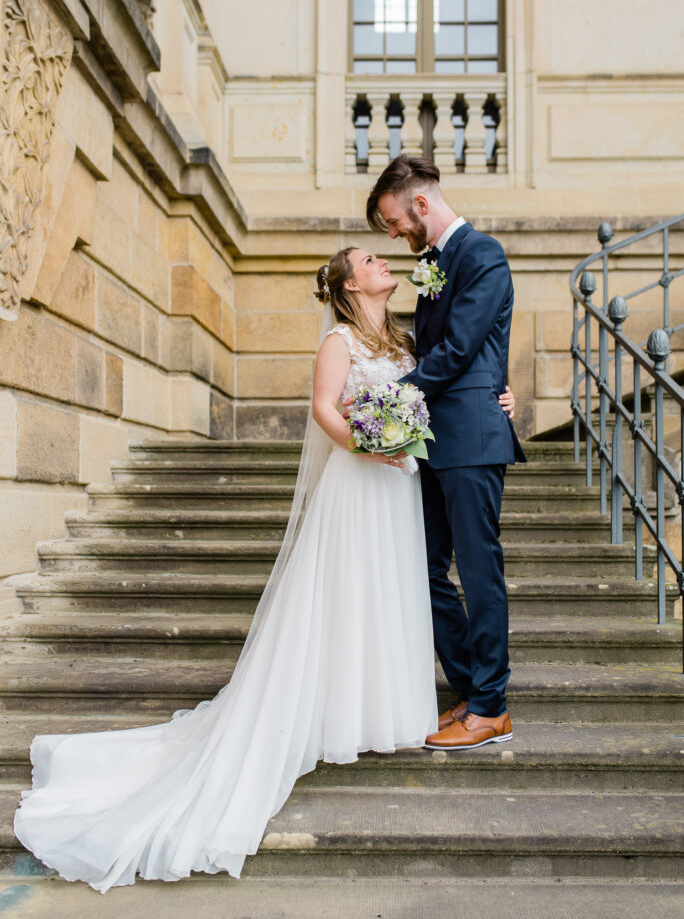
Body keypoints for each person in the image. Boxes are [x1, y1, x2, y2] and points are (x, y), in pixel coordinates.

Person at [13, 245, 514, 893]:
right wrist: (367, 444)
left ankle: (383, 707)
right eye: (369, 260)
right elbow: (325, 409)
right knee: (348, 593)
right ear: (349, 285)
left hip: (400, 490)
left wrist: (496, 396)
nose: (383, 262)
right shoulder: (337, 342)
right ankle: (337, 709)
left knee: (392, 594)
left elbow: (439, 386)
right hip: (360, 484)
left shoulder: (402, 341)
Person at [366, 155, 527, 751]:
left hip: (471, 439)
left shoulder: (481, 254)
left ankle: (491, 708)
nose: (393, 234)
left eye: (393, 221)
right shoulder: (434, 263)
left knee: (479, 570)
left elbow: (459, 349)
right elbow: (449, 349)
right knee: (425, 568)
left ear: (421, 204)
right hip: (435, 441)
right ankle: (469, 685)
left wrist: (387, 405)